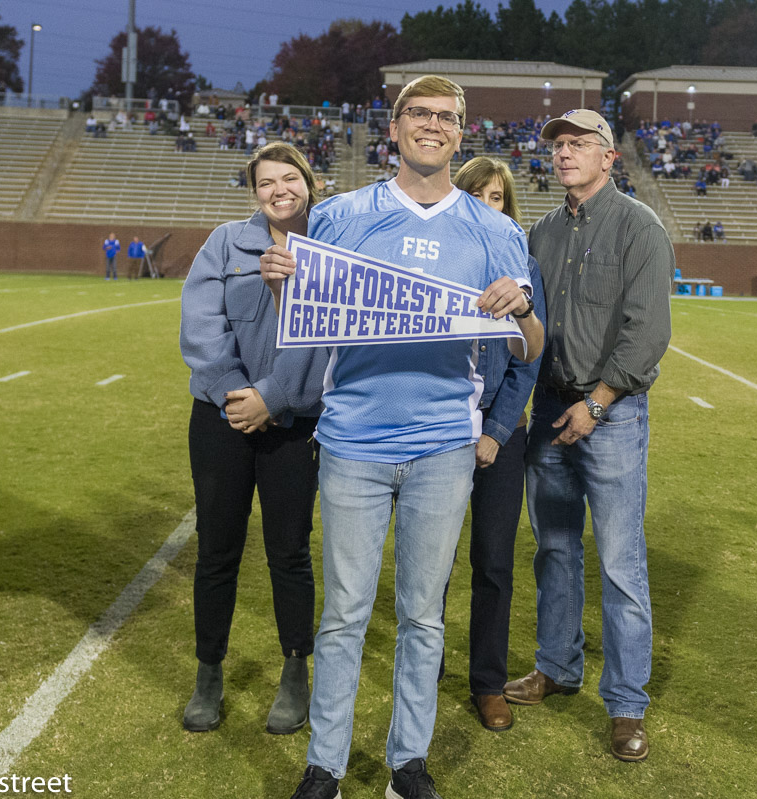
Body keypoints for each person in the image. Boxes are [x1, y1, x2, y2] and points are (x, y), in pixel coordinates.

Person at [261, 75, 543, 799]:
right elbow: (303, 310)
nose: (432, 125)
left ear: (460, 131)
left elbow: (532, 346)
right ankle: (324, 763)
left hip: (445, 441)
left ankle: (406, 761)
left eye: (446, 117)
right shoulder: (342, 215)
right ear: (394, 126)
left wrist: (521, 311)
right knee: (345, 612)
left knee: (422, 613)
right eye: (418, 113)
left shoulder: (496, 229)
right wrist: (278, 281)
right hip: (353, 437)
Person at [503, 109, 673, 764]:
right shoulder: (540, 232)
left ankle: (626, 702)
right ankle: (557, 665)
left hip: (613, 414)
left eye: (578, 144)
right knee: (553, 548)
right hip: (549, 408)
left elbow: (647, 332)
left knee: (620, 561)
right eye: (558, 145)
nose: (565, 153)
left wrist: (597, 404)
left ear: (609, 157)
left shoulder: (640, 227)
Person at [178, 142, 329, 737]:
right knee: (217, 549)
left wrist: (277, 397)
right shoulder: (225, 243)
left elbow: (328, 339)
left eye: (289, 177)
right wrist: (240, 395)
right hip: (222, 417)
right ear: (255, 192)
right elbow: (201, 330)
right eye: (266, 182)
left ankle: (296, 673)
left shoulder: (332, 248)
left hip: (294, 422)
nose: (278, 190)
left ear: (308, 183)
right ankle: (208, 673)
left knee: (289, 550)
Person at [443, 157, 546, 732]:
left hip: (498, 434)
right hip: (439, 426)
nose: (488, 204)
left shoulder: (523, 266)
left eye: (498, 196)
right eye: (477, 194)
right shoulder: (443, 258)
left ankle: (487, 681)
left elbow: (529, 359)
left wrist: (496, 433)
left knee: (494, 559)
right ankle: (424, 659)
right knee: (429, 558)